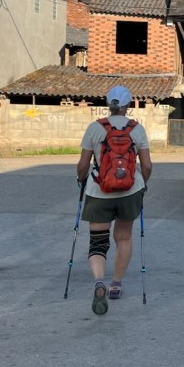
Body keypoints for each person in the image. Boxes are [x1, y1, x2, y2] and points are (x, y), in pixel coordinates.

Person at [76, 85, 152, 315]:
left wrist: (81, 180)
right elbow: (147, 165)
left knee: (98, 242)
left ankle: (99, 281)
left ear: (108, 104)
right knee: (124, 237)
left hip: (99, 191)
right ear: (128, 105)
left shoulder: (95, 128)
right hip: (130, 191)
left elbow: (83, 165)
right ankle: (116, 284)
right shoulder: (137, 129)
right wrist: (142, 184)